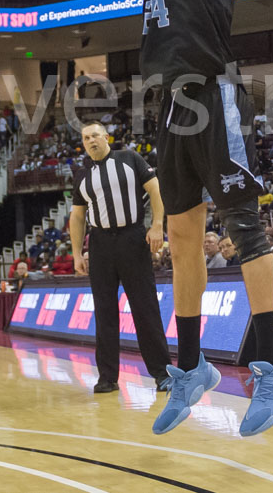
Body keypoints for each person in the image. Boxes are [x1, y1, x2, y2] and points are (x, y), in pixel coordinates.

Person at [74, 0, 273, 439]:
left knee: (245, 229)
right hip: (170, 110)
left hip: (214, 96)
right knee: (181, 238)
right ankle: (194, 364)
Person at [68, 121, 172, 395]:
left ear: (106, 138)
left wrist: (157, 224)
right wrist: (76, 253)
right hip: (100, 245)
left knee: (145, 307)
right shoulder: (81, 175)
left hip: (132, 238)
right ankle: (107, 377)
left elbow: (155, 189)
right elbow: (77, 216)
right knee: (104, 312)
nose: (90, 141)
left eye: (94, 136)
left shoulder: (129, 158)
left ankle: (162, 373)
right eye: (86, 138)